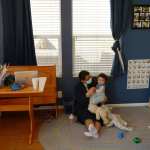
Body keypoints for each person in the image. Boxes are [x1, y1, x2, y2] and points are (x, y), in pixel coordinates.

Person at [73, 70, 103, 138]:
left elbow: (100, 87)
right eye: (88, 79)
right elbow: (78, 101)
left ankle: (95, 132)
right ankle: (92, 128)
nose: (90, 79)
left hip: (93, 105)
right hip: (83, 106)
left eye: (90, 77)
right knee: (86, 117)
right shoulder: (77, 87)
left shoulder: (93, 83)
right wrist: (87, 95)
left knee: (98, 118)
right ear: (82, 80)